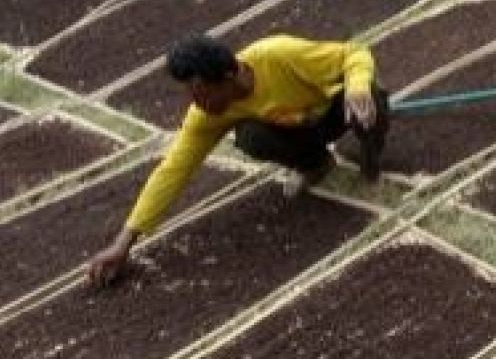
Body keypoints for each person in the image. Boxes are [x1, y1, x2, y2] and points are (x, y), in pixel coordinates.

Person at [87, 33, 388, 286]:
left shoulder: (278, 55)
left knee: (368, 96)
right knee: (251, 137)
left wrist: (357, 88)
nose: (198, 104)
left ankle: (370, 152)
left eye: (202, 93)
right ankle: (315, 164)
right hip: (297, 130)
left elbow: (355, 53)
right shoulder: (206, 115)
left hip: (335, 111)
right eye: (192, 95)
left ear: (229, 77)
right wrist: (123, 244)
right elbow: (172, 171)